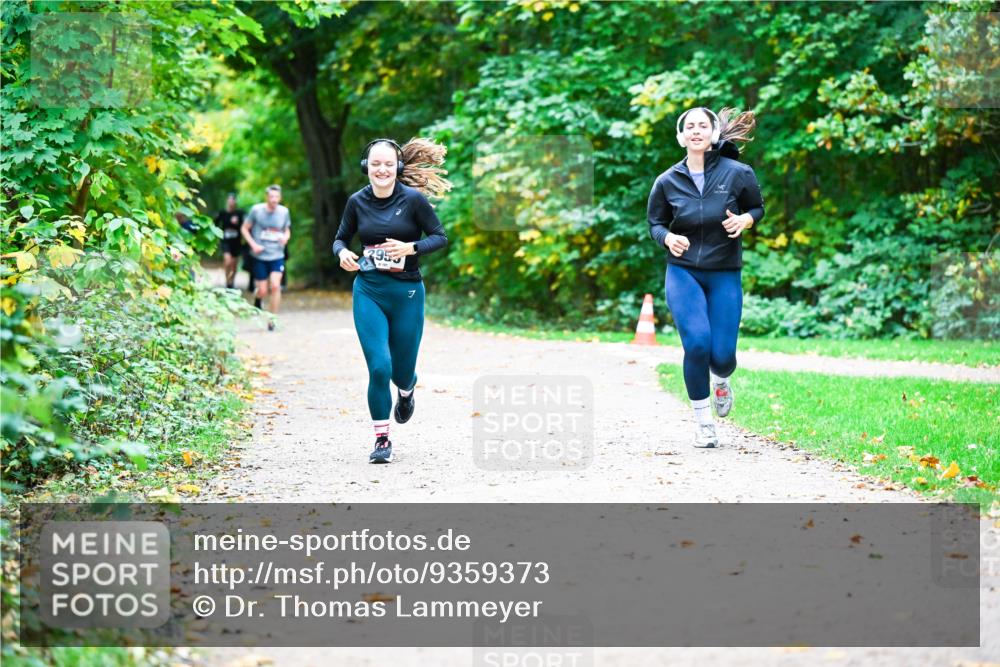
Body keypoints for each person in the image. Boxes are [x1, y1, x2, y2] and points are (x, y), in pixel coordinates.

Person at [647, 107, 765, 448]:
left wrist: (745, 221)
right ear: (681, 136)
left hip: (725, 272)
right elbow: (655, 223)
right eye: (690, 126)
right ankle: (703, 424)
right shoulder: (667, 181)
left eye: (703, 125)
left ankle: (722, 380)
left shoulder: (738, 173)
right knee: (697, 344)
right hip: (683, 271)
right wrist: (667, 238)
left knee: (723, 355)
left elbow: (756, 208)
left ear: (713, 133)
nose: (696, 131)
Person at [333, 137, 451, 464]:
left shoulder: (413, 200)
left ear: (397, 167)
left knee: (401, 372)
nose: (381, 170)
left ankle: (407, 390)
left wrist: (411, 248)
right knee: (379, 367)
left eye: (387, 164)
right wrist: (342, 252)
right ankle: (382, 439)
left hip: (408, 293)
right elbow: (341, 237)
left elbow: (440, 237)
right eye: (375, 164)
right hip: (369, 289)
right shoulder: (357, 201)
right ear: (366, 168)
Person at [242, 185, 291, 331]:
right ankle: (258, 298)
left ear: (280, 197)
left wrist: (285, 239)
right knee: (262, 290)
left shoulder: (284, 212)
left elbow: (287, 230)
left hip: (277, 254)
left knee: (275, 285)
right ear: (267, 198)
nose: (274, 200)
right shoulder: (257, 211)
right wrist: (253, 245)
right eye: (271, 197)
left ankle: (272, 319)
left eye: (277, 197)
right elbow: (244, 228)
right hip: (260, 255)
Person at [214, 193, 244, 289]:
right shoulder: (222, 213)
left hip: (236, 242)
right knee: (227, 262)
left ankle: (232, 282)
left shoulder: (240, 213)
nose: (231, 202)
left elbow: (245, 226)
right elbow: (215, 224)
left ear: (235, 202)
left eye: (233, 200)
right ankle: (227, 282)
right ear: (227, 201)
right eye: (230, 199)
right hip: (226, 241)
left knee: (234, 265)